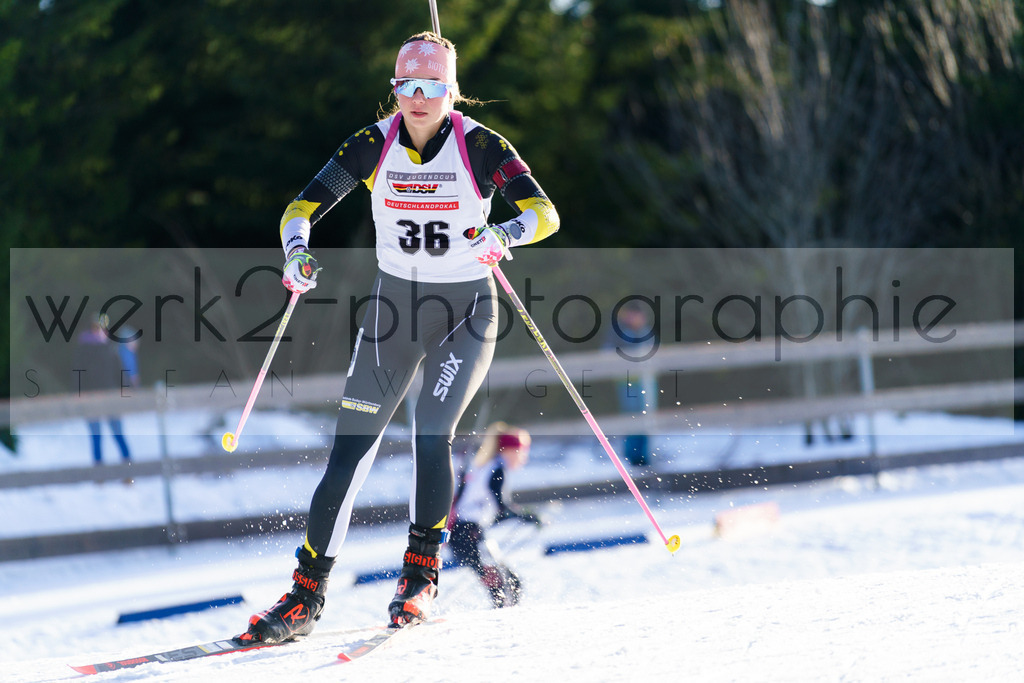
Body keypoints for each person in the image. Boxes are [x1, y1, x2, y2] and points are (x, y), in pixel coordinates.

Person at [236, 31, 559, 644]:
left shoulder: (481, 145)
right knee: (349, 452)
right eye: (405, 85)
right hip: (395, 314)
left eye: (430, 86)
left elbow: (545, 213)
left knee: (430, 433)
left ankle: (419, 577)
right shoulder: (371, 145)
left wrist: (505, 233)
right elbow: (299, 209)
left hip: (466, 313)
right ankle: (305, 596)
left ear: (450, 91)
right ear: (394, 89)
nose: (417, 97)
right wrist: (296, 252)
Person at [449, 422, 541, 608]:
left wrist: (524, 516)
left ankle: (501, 617)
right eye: (521, 452)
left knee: (508, 584)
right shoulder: (496, 470)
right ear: (507, 450)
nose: (523, 458)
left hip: (465, 535)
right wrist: (529, 516)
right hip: (468, 535)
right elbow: (503, 508)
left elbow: (494, 511)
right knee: (506, 586)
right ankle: (501, 621)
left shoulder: (486, 466)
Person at [72, 314, 132, 465]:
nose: (99, 330)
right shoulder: (83, 348)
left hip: (110, 396)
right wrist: (79, 392)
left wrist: (124, 388)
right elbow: (77, 372)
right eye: (96, 327)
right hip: (90, 397)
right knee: (96, 436)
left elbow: (120, 370)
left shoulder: (110, 348)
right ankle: (99, 472)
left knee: (118, 433)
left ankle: (128, 469)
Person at [606, 300, 657, 466]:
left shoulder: (646, 332)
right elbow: (607, 353)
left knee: (647, 418)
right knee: (631, 418)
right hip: (627, 382)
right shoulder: (618, 332)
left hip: (646, 381)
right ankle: (632, 456)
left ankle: (646, 455)